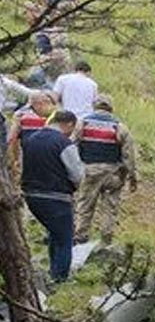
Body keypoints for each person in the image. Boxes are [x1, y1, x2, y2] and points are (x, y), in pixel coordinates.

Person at [22, 110, 84, 283]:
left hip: (31, 195)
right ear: (69, 124)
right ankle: (60, 278)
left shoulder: (30, 139)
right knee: (65, 238)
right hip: (57, 196)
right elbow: (77, 174)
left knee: (54, 234)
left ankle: (53, 271)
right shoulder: (63, 143)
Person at [75, 94, 137, 243]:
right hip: (113, 174)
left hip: (89, 171)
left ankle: (81, 236)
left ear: (95, 106)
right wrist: (132, 177)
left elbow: (72, 145)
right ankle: (106, 238)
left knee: (85, 205)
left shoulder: (83, 123)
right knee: (110, 207)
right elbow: (128, 156)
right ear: (111, 108)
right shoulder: (119, 127)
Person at [6, 91, 55, 178]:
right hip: (33, 154)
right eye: (47, 102)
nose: (50, 105)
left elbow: (12, 138)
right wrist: (14, 158)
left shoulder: (20, 114)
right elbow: (13, 138)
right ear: (38, 104)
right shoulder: (23, 116)